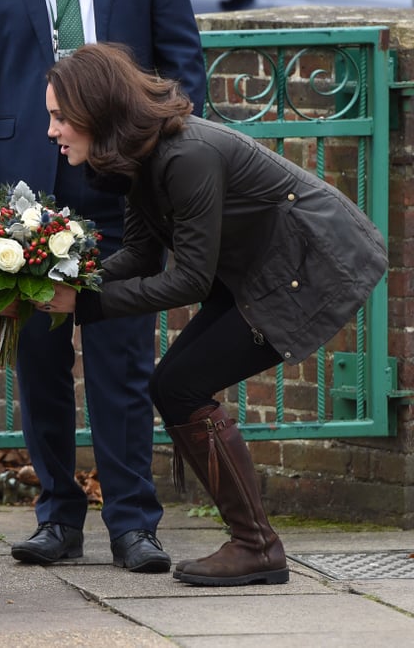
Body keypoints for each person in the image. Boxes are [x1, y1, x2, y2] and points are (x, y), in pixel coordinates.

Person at [42, 42, 387, 585]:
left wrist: (83, 306)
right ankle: (256, 544)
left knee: (179, 382)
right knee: (175, 384)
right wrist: (66, 281)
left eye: (61, 117)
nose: (52, 131)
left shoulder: (186, 155)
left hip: (312, 263)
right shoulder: (139, 155)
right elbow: (140, 255)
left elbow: (190, 280)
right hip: (253, 269)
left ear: (97, 111)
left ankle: (256, 546)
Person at [0, 0, 206, 572]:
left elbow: (183, 67)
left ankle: (134, 523)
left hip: (125, 188)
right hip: (21, 194)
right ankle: (58, 516)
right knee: (38, 364)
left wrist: (161, 163)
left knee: (124, 362)